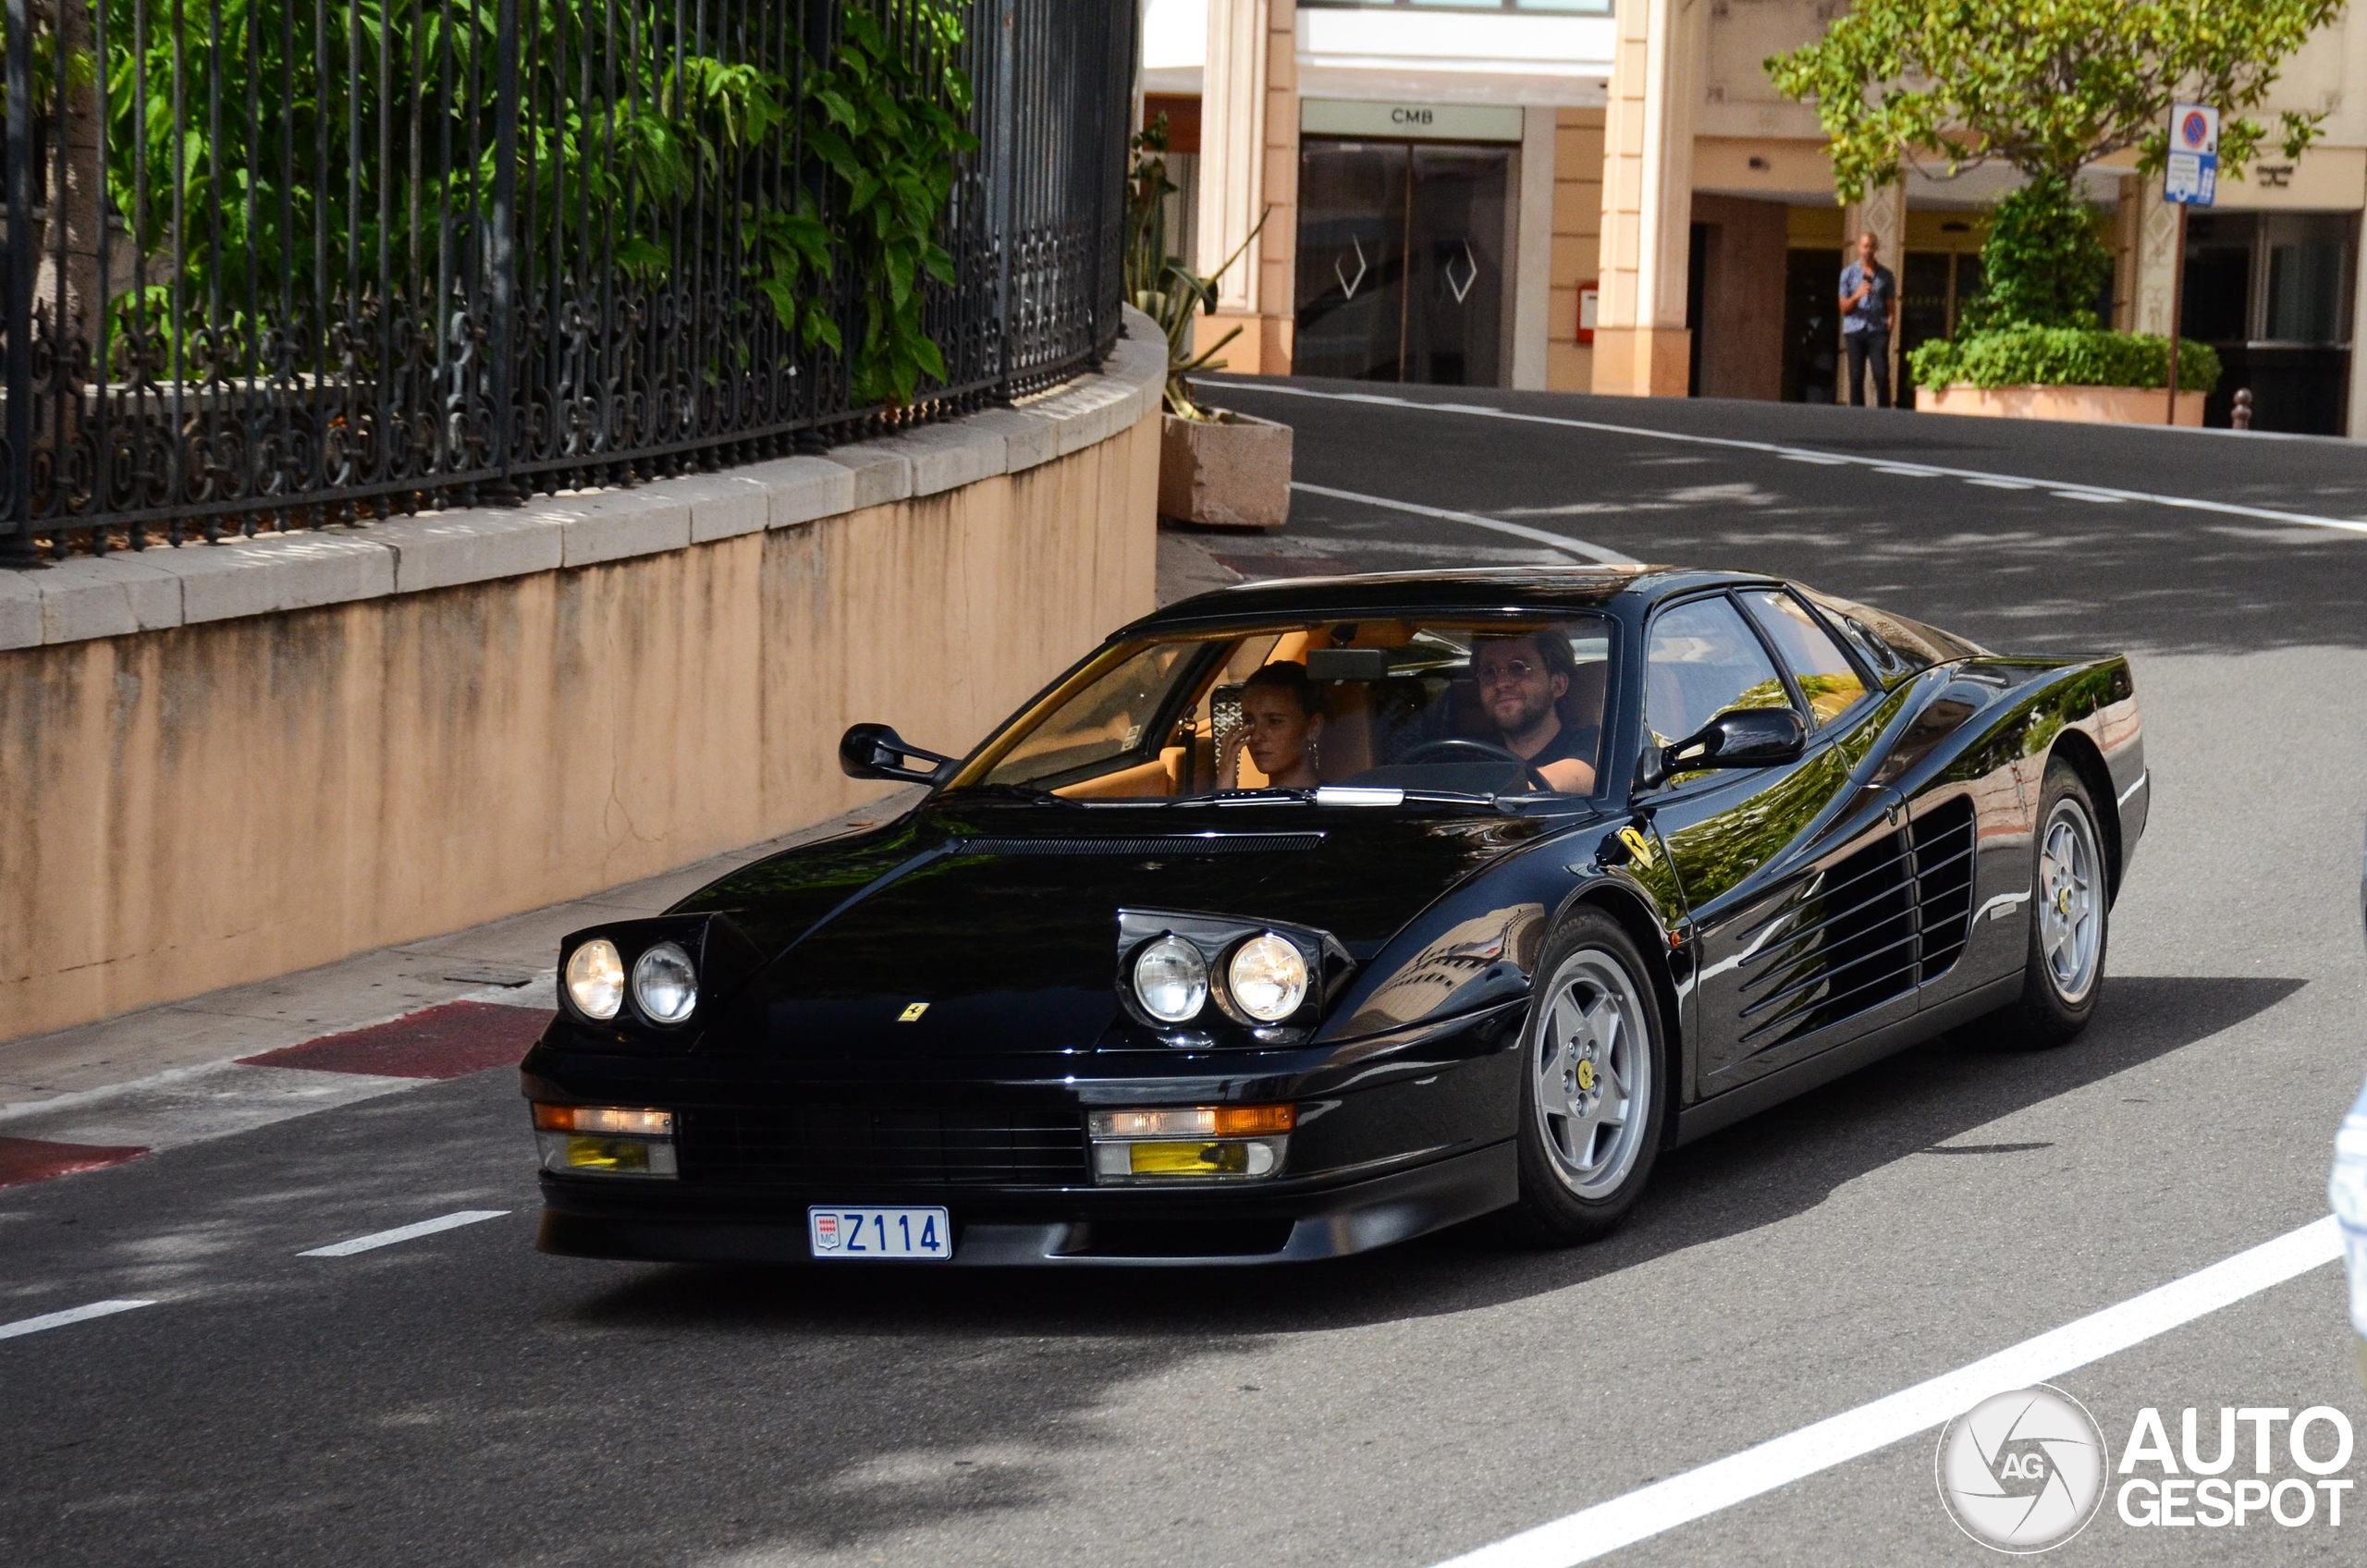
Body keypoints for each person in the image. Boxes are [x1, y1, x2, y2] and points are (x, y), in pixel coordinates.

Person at [1470, 631, 1597, 794]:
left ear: (1558, 685)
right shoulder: (1470, 754)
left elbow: (1578, 777)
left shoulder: (1594, 743)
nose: (1501, 683)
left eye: (1518, 668)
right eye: (1489, 672)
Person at [1224, 662, 1326, 789]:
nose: (1255, 737)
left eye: (1274, 722)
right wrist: (1224, 790)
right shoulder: (1250, 805)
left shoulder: (1338, 803)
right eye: (1249, 722)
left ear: (1313, 727)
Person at [1838, 230, 1897, 409]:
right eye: (1865, 246)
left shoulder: (1886, 276)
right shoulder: (1848, 274)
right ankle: (1857, 414)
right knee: (1856, 376)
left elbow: (1891, 305)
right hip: (1854, 330)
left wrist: (1890, 324)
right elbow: (1843, 307)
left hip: (1877, 330)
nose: (1867, 250)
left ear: (1876, 249)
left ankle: (1884, 413)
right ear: (1858, 247)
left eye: (1871, 246)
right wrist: (1857, 295)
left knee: (1881, 373)